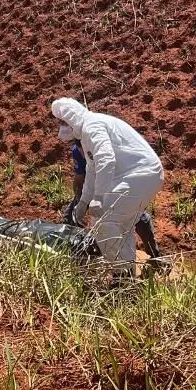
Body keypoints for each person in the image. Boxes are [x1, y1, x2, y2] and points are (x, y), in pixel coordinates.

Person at [51, 97, 165, 284]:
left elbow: (106, 159)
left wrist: (99, 197)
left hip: (141, 175)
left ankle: (123, 276)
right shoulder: (86, 134)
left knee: (103, 221)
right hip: (138, 176)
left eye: (63, 122)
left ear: (71, 119)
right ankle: (125, 280)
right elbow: (92, 170)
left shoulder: (92, 126)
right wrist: (83, 202)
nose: (62, 126)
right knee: (122, 227)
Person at [62, 138, 170, 273]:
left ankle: (155, 257)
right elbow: (79, 180)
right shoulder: (78, 150)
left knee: (139, 219)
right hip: (94, 185)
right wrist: (81, 203)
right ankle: (78, 263)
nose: (84, 154)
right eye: (81, 150)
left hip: (122, 185)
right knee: (70, 218)